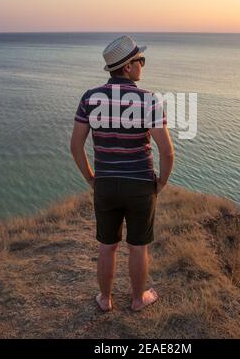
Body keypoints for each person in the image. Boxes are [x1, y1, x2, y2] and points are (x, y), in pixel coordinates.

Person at [70, 35, 174, 312]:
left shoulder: (90, 98)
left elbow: (76, 146)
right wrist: (161, 182)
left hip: (105, 184)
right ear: (128, 67)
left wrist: (92, 179)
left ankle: (105, 299)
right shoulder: (149, 100)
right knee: (139, 246)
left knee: (107, 246)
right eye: (141, 60)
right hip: (140, 184)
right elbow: (167, 152)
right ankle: (139, 300)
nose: (143, 64)